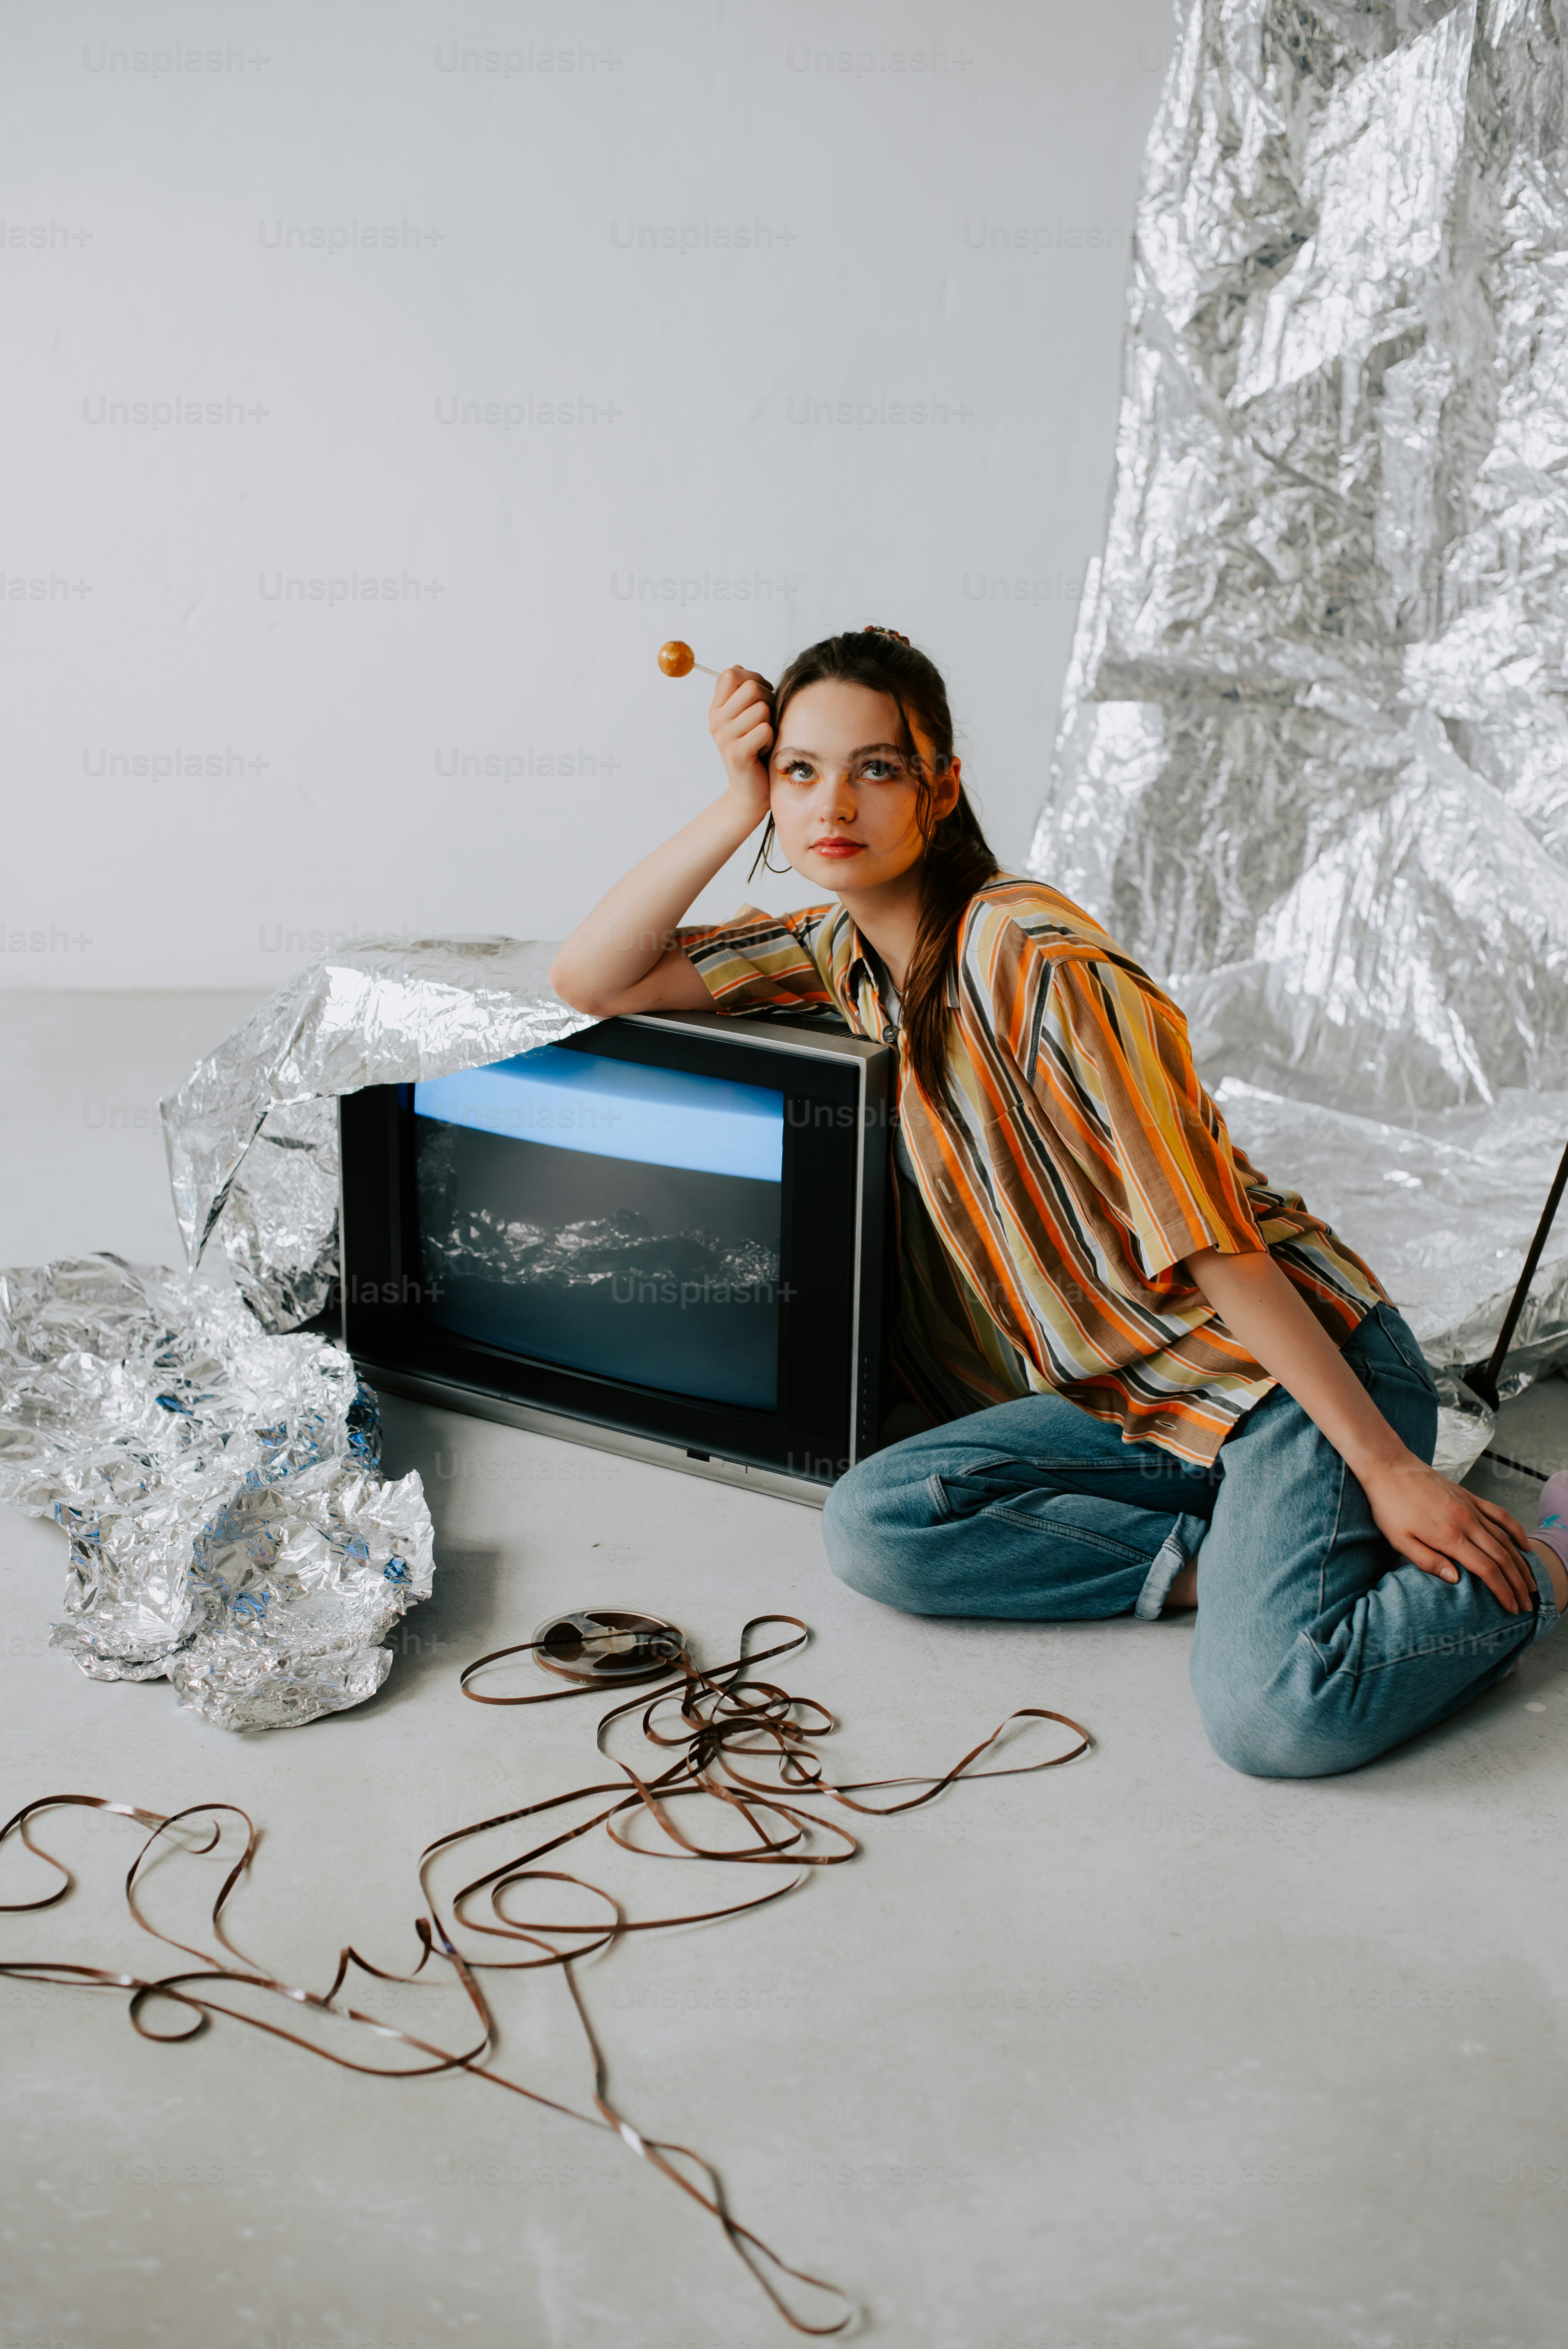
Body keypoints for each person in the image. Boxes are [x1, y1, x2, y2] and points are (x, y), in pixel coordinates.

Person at [549, 626, 1565, 1778]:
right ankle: (1241, 1564)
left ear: (941, 787)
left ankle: (1544, 1561)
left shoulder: (1038, 957)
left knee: (1282, 1715)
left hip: (1277, 1370)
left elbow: (1216, 1243)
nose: (836, 801)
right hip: (1130, 1398)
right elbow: (597, 976)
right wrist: (734, 804)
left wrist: (1385, 1468)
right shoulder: (845, 952)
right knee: (878, 1523)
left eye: (876, 767)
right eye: (800, 771)